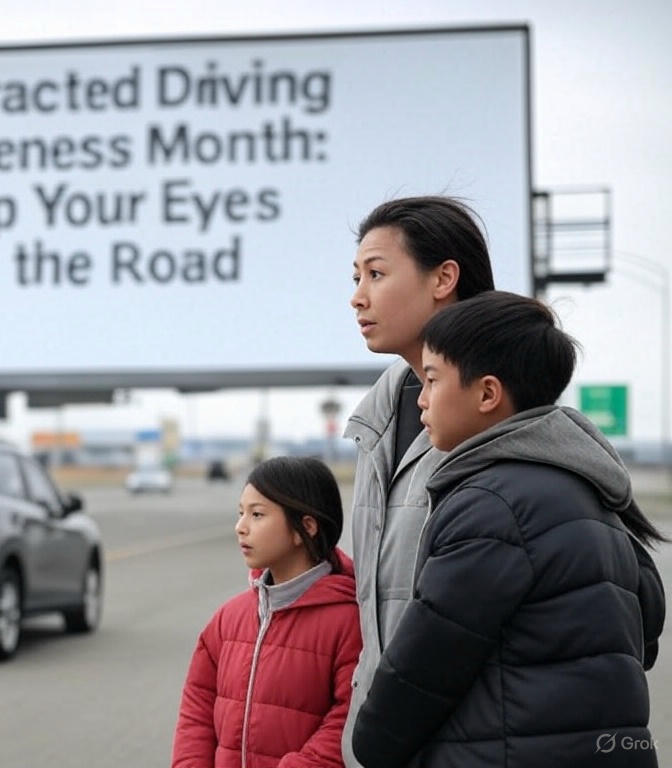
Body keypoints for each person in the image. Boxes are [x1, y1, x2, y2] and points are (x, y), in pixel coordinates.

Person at [352, 291, 666, 767]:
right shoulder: (585, 487)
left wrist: (369, 746)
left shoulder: (491, 505)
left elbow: (424, 668)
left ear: (487, 394)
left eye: (433, 381)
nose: (423, 402)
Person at [341, 196, 496, 766]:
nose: (358, 296)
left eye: (377, 274)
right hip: (385, 744)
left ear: (444, 279)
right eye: (357, 277)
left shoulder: (498, 418)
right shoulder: (377, 423)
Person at [171, 456, 362, 768]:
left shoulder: (349, 622)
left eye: (257, 515)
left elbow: (349, 718)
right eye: (240, 513)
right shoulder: (226, 620)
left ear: (306, 527)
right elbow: (196, 710)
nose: (240, 527)